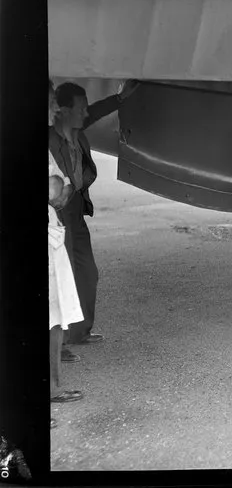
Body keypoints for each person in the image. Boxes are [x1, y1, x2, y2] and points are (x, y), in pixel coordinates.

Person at [48, 79, 140, 361]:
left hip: (75, 211)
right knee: (62, 279)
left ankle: (79, 332)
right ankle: (57, 345)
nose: (86, 114)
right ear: (61, 110)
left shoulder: (77, 132)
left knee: (88, 272)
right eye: (80, 109)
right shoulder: (50, 138)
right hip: (57, 215)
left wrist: (120, 98)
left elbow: (96, 110)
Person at [48, 80, 84, 428]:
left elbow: (62, 186)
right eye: (49, 101)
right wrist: (61, 186)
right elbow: (55, 186)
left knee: (55, 312)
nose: (55, 108)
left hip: (54, 224)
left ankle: (53, 388)